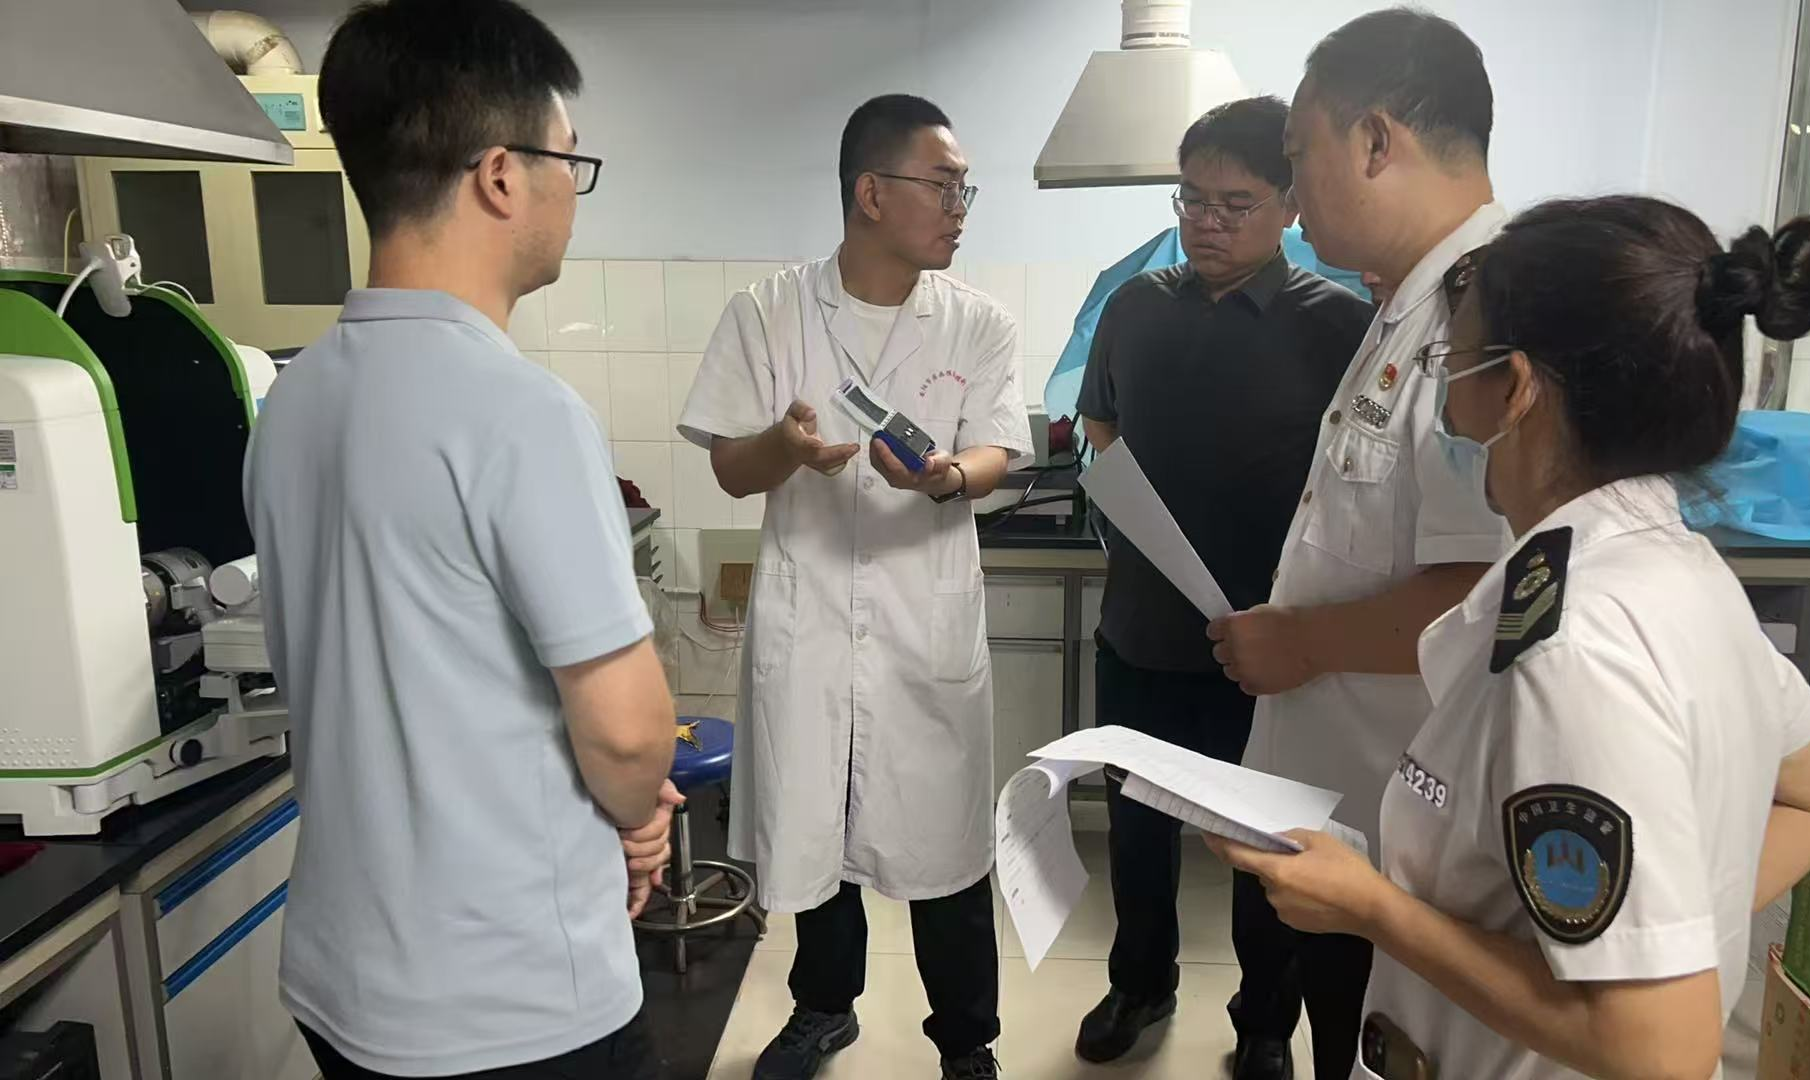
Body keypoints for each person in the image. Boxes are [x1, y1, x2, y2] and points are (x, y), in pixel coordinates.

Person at [1212, 196, 1810, 1079]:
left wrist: (1369, 907)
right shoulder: (1679, 568)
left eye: (1451, 363)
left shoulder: (1575, 650)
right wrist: (1675, 931)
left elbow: (1661, 1050)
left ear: (1515, 389)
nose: (1446, 404)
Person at [244, 2, 681, 1076]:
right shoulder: (521, 415)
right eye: (568, 161)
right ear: (500, 176)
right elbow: (629, 738)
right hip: (511, 1004)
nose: (571, 192)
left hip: (343, 984)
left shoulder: (291, 401)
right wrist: (641, 815)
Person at [676, 94, 1030, 1080]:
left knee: (947, 848)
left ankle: (967, 1041)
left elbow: (999, 449)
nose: (960, 207)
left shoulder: (978, 324)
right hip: (813, 620)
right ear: (871, 194)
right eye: (943, 185)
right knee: (815, 833)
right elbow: (730, 469)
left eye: (964, 189)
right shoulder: (769, 312)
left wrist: (946, 476)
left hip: (925, 625)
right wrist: (784, 448)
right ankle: (824, 1009)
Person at [1204, 11, 1509, 1077]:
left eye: (1298, 156)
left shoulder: (1483, 319)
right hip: (1349, 817)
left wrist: (1302, 642)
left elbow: (1487, 588)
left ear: (1376, 141)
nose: (1293, 191)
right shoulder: (1405, 304)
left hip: (1407, 837)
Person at [1071, 96, 1374, 1069]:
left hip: (1271, 650)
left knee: (1265, 846)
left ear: (1289, 205)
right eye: (1191, 199)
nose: (1206, 222)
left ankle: (1264, 1023)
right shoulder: (1134, 309)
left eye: (1234, 204)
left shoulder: (1339, 325)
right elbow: (1101, 425)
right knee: (1138, 829)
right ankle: (1139, 984)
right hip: (1141, 633)